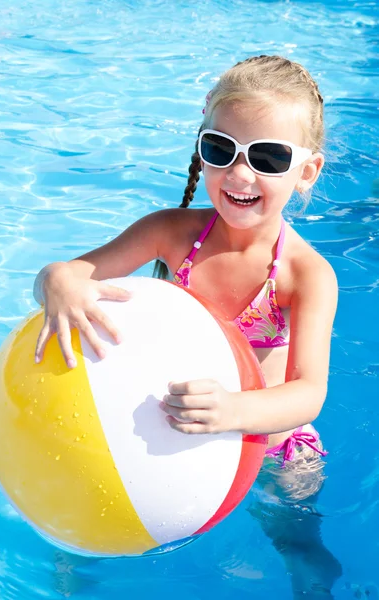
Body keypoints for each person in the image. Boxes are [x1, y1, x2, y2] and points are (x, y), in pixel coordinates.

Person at [33, 55, 342, 597]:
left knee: (294, 527)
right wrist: (57, 280)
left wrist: (234, 412)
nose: (240, 175)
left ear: (306, 172)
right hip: (168, 423)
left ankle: (310, 574)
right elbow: (67, 277)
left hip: (268, 440)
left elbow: (308, 393)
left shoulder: (305, 274)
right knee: (80, 526)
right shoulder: (169, 233)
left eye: (269, 157)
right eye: (221, 150)